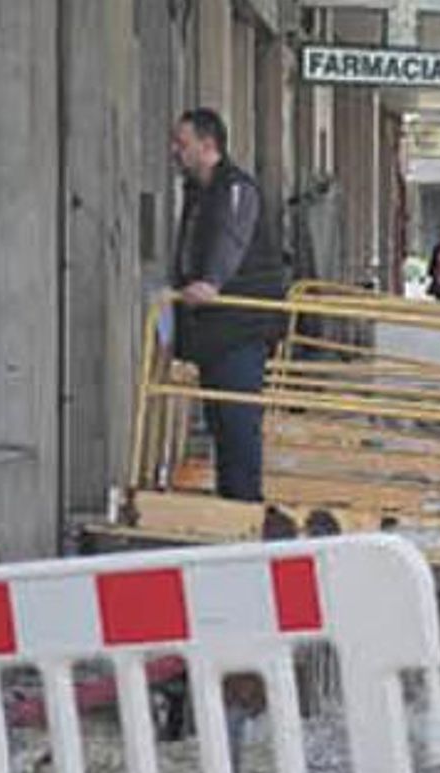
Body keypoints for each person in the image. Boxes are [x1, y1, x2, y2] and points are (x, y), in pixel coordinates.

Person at [170, 107, 288, 503]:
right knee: (221, 427)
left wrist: (211, 283)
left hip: (240, 328)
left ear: (208, 145)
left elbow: (230, 240)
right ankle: (232, 506)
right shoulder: (199, 193)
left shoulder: (235, 189)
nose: (175, 151)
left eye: (182, 143)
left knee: (238, 427)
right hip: (212, 331)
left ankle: (245, 508)